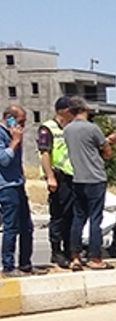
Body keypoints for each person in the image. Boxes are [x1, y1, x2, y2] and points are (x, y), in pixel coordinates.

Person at [64, 98, 116, 271]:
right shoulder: (92, 128)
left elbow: (85, 148)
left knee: (78, 218)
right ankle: (95, 257)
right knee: (95, 219)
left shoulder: (67, 130)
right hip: (95, 178)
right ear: (85, 109)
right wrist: (109, 143)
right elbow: (106, 153)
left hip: (78, 179)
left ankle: (75, 257)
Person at [0, 104, 43, 277]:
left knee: (27, 227)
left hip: (17, 184)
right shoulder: (3, 135)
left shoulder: (13, 134)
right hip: (6, 186)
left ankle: (25, 264)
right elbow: (4, 160)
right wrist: (15, 141)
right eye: (20, 121)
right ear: (9, 118)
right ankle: (8, 266)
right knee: (11, 227)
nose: (22, 126)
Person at [37, 96, 76, 268]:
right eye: (71, 110)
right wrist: (50, 176)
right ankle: (56, 252)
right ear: (64, 111)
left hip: (72, 176)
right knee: (58, 216)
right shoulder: (47, 128)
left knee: (71, 216)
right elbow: (44, 153)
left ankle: (69, 250)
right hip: (58, 177)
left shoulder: (70, 128)